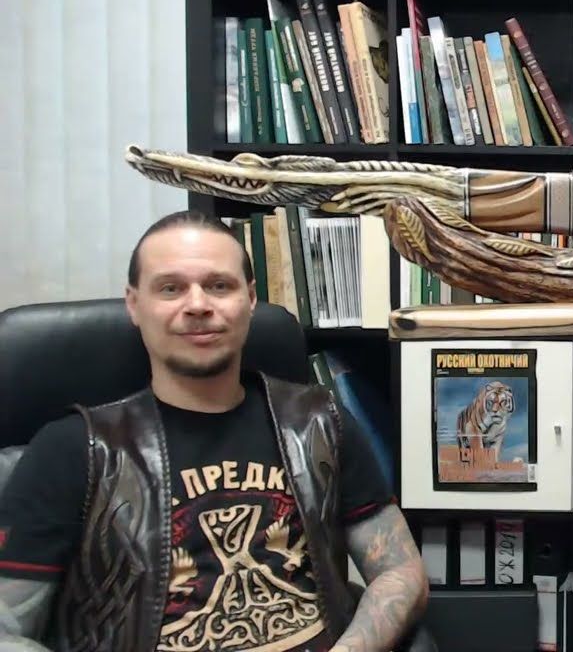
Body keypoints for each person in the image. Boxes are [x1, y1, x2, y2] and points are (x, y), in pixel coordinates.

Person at [0, 211, 429, 652]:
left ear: (250, 298)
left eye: (219, 285)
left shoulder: (321, 423)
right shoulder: (72, 450)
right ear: (134, 304)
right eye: (171, 288)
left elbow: (399, 570)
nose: (198, 304)